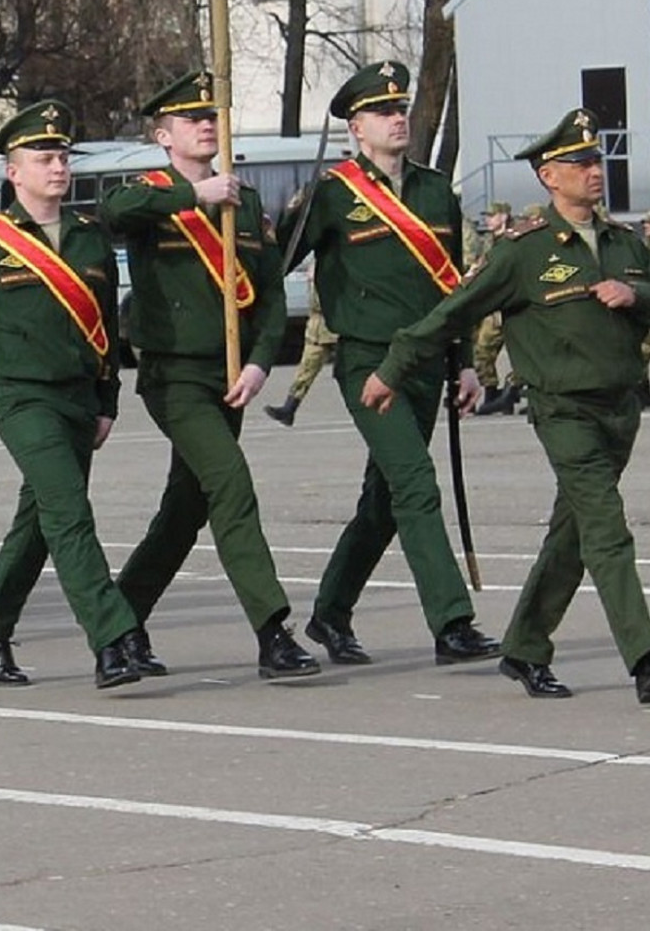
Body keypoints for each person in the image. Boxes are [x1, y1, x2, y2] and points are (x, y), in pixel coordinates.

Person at [364, 109, 650, 705]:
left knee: (573, 536)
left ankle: (524, 647)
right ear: (549, 176)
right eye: (579, 163)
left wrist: (635, 292)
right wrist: (394, 368)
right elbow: (454, 312)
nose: (593, 171)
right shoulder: (523, 250)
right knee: (606, 529)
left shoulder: (625, 242)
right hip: (563, 410)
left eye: (596, 160)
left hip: (620, 407)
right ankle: (645, 659)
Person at [0, 100, 145, 688]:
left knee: (38, 522)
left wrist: (108, 400)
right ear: (14, 171)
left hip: (78, 400)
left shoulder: (89, 240)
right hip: (22, 400)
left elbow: (106, 330)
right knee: (69, 515)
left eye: (62, 155)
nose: (57, 166)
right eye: (43, 157)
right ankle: (113, 639)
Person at [278, 61, 500, 667]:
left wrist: (466, 365)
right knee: (414, 484)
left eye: (400, 108)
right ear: (356, 126)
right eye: (383, 111)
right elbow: (276, 259)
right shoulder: (332, 193)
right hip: (368, 362)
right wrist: (285, 213)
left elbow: (451, 292)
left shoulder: (434, 192)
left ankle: (329, 614)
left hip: (426, 365)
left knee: (384, 497)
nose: (397, 118)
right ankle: (452, 623)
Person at [100, 70, 318, 679]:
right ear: (163, 135)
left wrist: (257, 361)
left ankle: (120, 618)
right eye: (192, 120)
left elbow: (271, 296)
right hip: (174, 377)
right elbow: (115, 214)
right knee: (231, 483)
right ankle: (273, 630)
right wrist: (194, 197)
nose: (205, 126)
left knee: (186, 507)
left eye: (211, 117)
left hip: (231, 376)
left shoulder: (243, 202)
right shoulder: (148, 191)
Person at [469, 202, 522, 415]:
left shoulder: (517, 238)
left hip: (516, 304)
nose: (488, 220)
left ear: (503, 216)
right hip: (494, 306)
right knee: (482, 350)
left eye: (492, 215)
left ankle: (513, 391)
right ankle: (493, 394)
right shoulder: (488, 241)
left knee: (524, 353)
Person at [262, 278, 336, 426]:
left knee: (352, 373)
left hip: (336, 328)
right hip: (318, 330)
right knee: (305, 371)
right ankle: (289, 408)